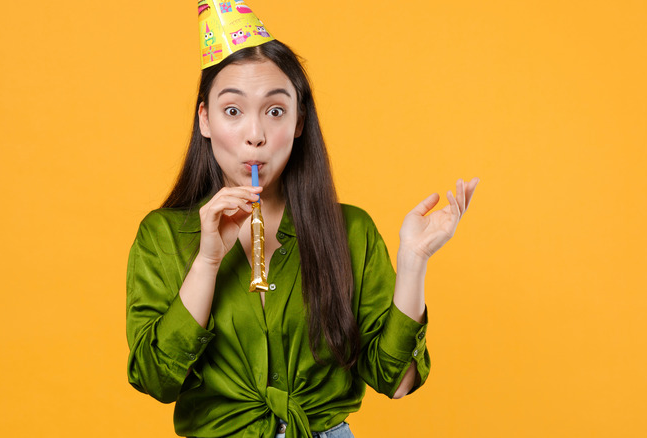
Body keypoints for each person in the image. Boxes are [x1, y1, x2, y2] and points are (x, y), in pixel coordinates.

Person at [126, 2, 479, 437]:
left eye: (275, 111)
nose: (254, 134)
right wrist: (207, 263)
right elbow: (155, 380)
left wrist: (413, 261)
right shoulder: (162, 237)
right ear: (205, 119)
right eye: (232, 111)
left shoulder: (350, 232)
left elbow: (398, 381)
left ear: (298, 121)